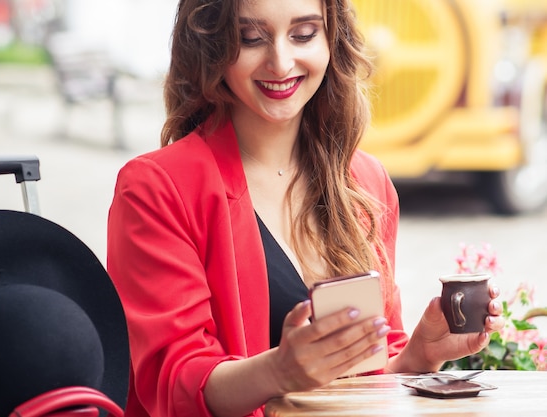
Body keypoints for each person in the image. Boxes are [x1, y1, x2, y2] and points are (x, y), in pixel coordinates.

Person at [106, 1, 504, 416]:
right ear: (211, 43)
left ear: (333, 39)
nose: (280, 62)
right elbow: (172, 385)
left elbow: (363, 383)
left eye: (303, 34)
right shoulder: (157, 188)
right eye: (251, 38)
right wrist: (280, 371)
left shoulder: (367, 183)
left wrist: (419, 356)